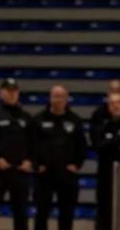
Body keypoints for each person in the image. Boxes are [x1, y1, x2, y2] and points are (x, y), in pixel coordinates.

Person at [0, 78, 33, 230]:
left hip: (20, 171)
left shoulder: (26, 117)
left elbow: (33, 143)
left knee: (21, 213)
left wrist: (30, 161)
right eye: (8, 91)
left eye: (14, 91)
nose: (12, 94)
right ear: (0, 92)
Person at [31, 85, 85, 230]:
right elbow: (31, 145)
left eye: (61, 96)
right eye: (55, 96)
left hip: (67, 175)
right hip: (44, 176)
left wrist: (77, 165)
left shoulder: (75, 121)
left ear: (67, 99)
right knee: (41, 213)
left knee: (67, 214)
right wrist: (36, 165)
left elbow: (82, 146)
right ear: (50, 98)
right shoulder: (37, 120)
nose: (58, 100)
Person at [91, 91, 120, 230]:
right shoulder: (101, 125)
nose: (116, 106)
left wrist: (111, 142)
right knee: (104, 215)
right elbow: (99, 147)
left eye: (119, 103)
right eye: (112, 103)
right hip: (106, 177)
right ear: (108, 107)